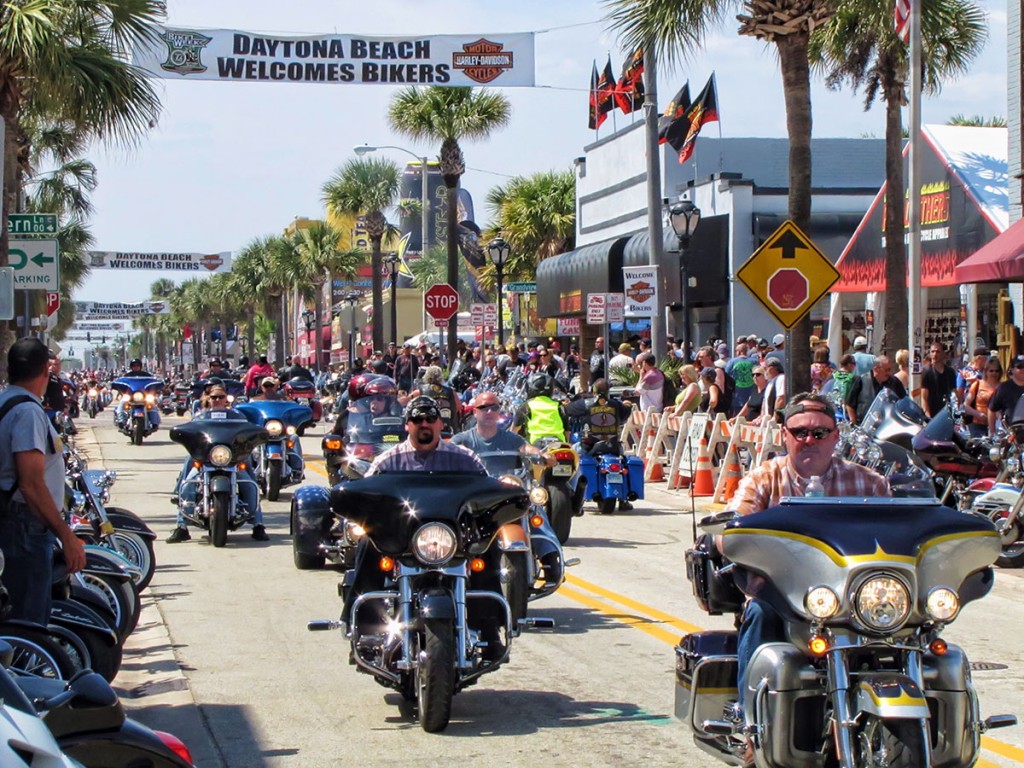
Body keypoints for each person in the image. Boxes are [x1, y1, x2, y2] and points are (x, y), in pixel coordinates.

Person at [727, 393, 890, 689]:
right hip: (781, 596)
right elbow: (732, 528)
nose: (809, 440)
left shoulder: (870, 483)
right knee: (760, 612)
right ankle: (750, 716)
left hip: (853, 598)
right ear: (784, 436)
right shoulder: (762, 479)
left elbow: (896, 537)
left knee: (914, 625)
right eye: (800, 432)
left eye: (820, 432)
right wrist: (731, 535)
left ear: (835, 437)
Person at [0, 338, 86, 625]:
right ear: (45, 372)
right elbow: (31, 483)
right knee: (29, 620)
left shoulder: (6, 400)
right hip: (25, 525)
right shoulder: (27, 412)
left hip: (18, 521)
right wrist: (66, 535)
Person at [167, 385, 268, 542]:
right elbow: (192, 432)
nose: (218, 400)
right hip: (206, 458)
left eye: (221, 396)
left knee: (249, 484)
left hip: (231, 459)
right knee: (187, 484)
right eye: (214, 397)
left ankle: (258, 525)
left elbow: (247, 431)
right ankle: (181, 527)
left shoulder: (237, 416)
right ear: (209, 399)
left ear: (226, 399)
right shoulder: (200, 417)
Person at [845, 355, 907, 425]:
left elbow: (904, 400)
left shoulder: (895, 382)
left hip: (886, 425)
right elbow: (850, 404)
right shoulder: (861, 380)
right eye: (887, 370)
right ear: (876, 369)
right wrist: (853, 422)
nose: (889, 373)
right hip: (864, 424)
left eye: (890, 369)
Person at [513, 373, 570, 444]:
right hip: (559, 444)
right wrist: (567, 443)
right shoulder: (558, 405)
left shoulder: (527, 405)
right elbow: (567, 430)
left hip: (535, 445)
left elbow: (514, 430)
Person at [408, 365, 461, 436]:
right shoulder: (451, 392)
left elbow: (406, 403)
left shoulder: (420, 391)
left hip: (428, 429)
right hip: (448, 428)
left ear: (427, 376)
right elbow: (459, 407)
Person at [964, 358, 1002, 438]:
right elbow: (966, 406)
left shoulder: (1003, 387)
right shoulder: (977, 385)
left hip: (997, 427)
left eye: (996, 371)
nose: (994, 373)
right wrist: (978, 414)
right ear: (986, 371)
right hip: (978, 425)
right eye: (991, 371)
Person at [988, 356, 1024, 435]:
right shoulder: (1003, 388)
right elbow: (992, 408)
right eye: (1019, 367)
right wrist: (992, 432)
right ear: (1012, 369)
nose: (1022, 369)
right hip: (1012, 435)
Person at [921, 342, 957, 418]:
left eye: (937, 351)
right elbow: (924, 398)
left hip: (947, 413)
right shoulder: (926, 372)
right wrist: (928, 416)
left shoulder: (950, 372)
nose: (935, 354)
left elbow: (954, 392)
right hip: (933, 415)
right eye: (932, 351)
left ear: (943, 353)